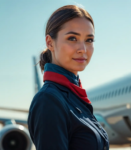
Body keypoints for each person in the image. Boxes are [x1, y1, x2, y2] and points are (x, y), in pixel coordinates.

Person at [28, 5, 109, 150]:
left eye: (89, 40)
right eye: (72, 38)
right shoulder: (49, 99)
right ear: (50, 42)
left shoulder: (75, 97)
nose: (83, 49)